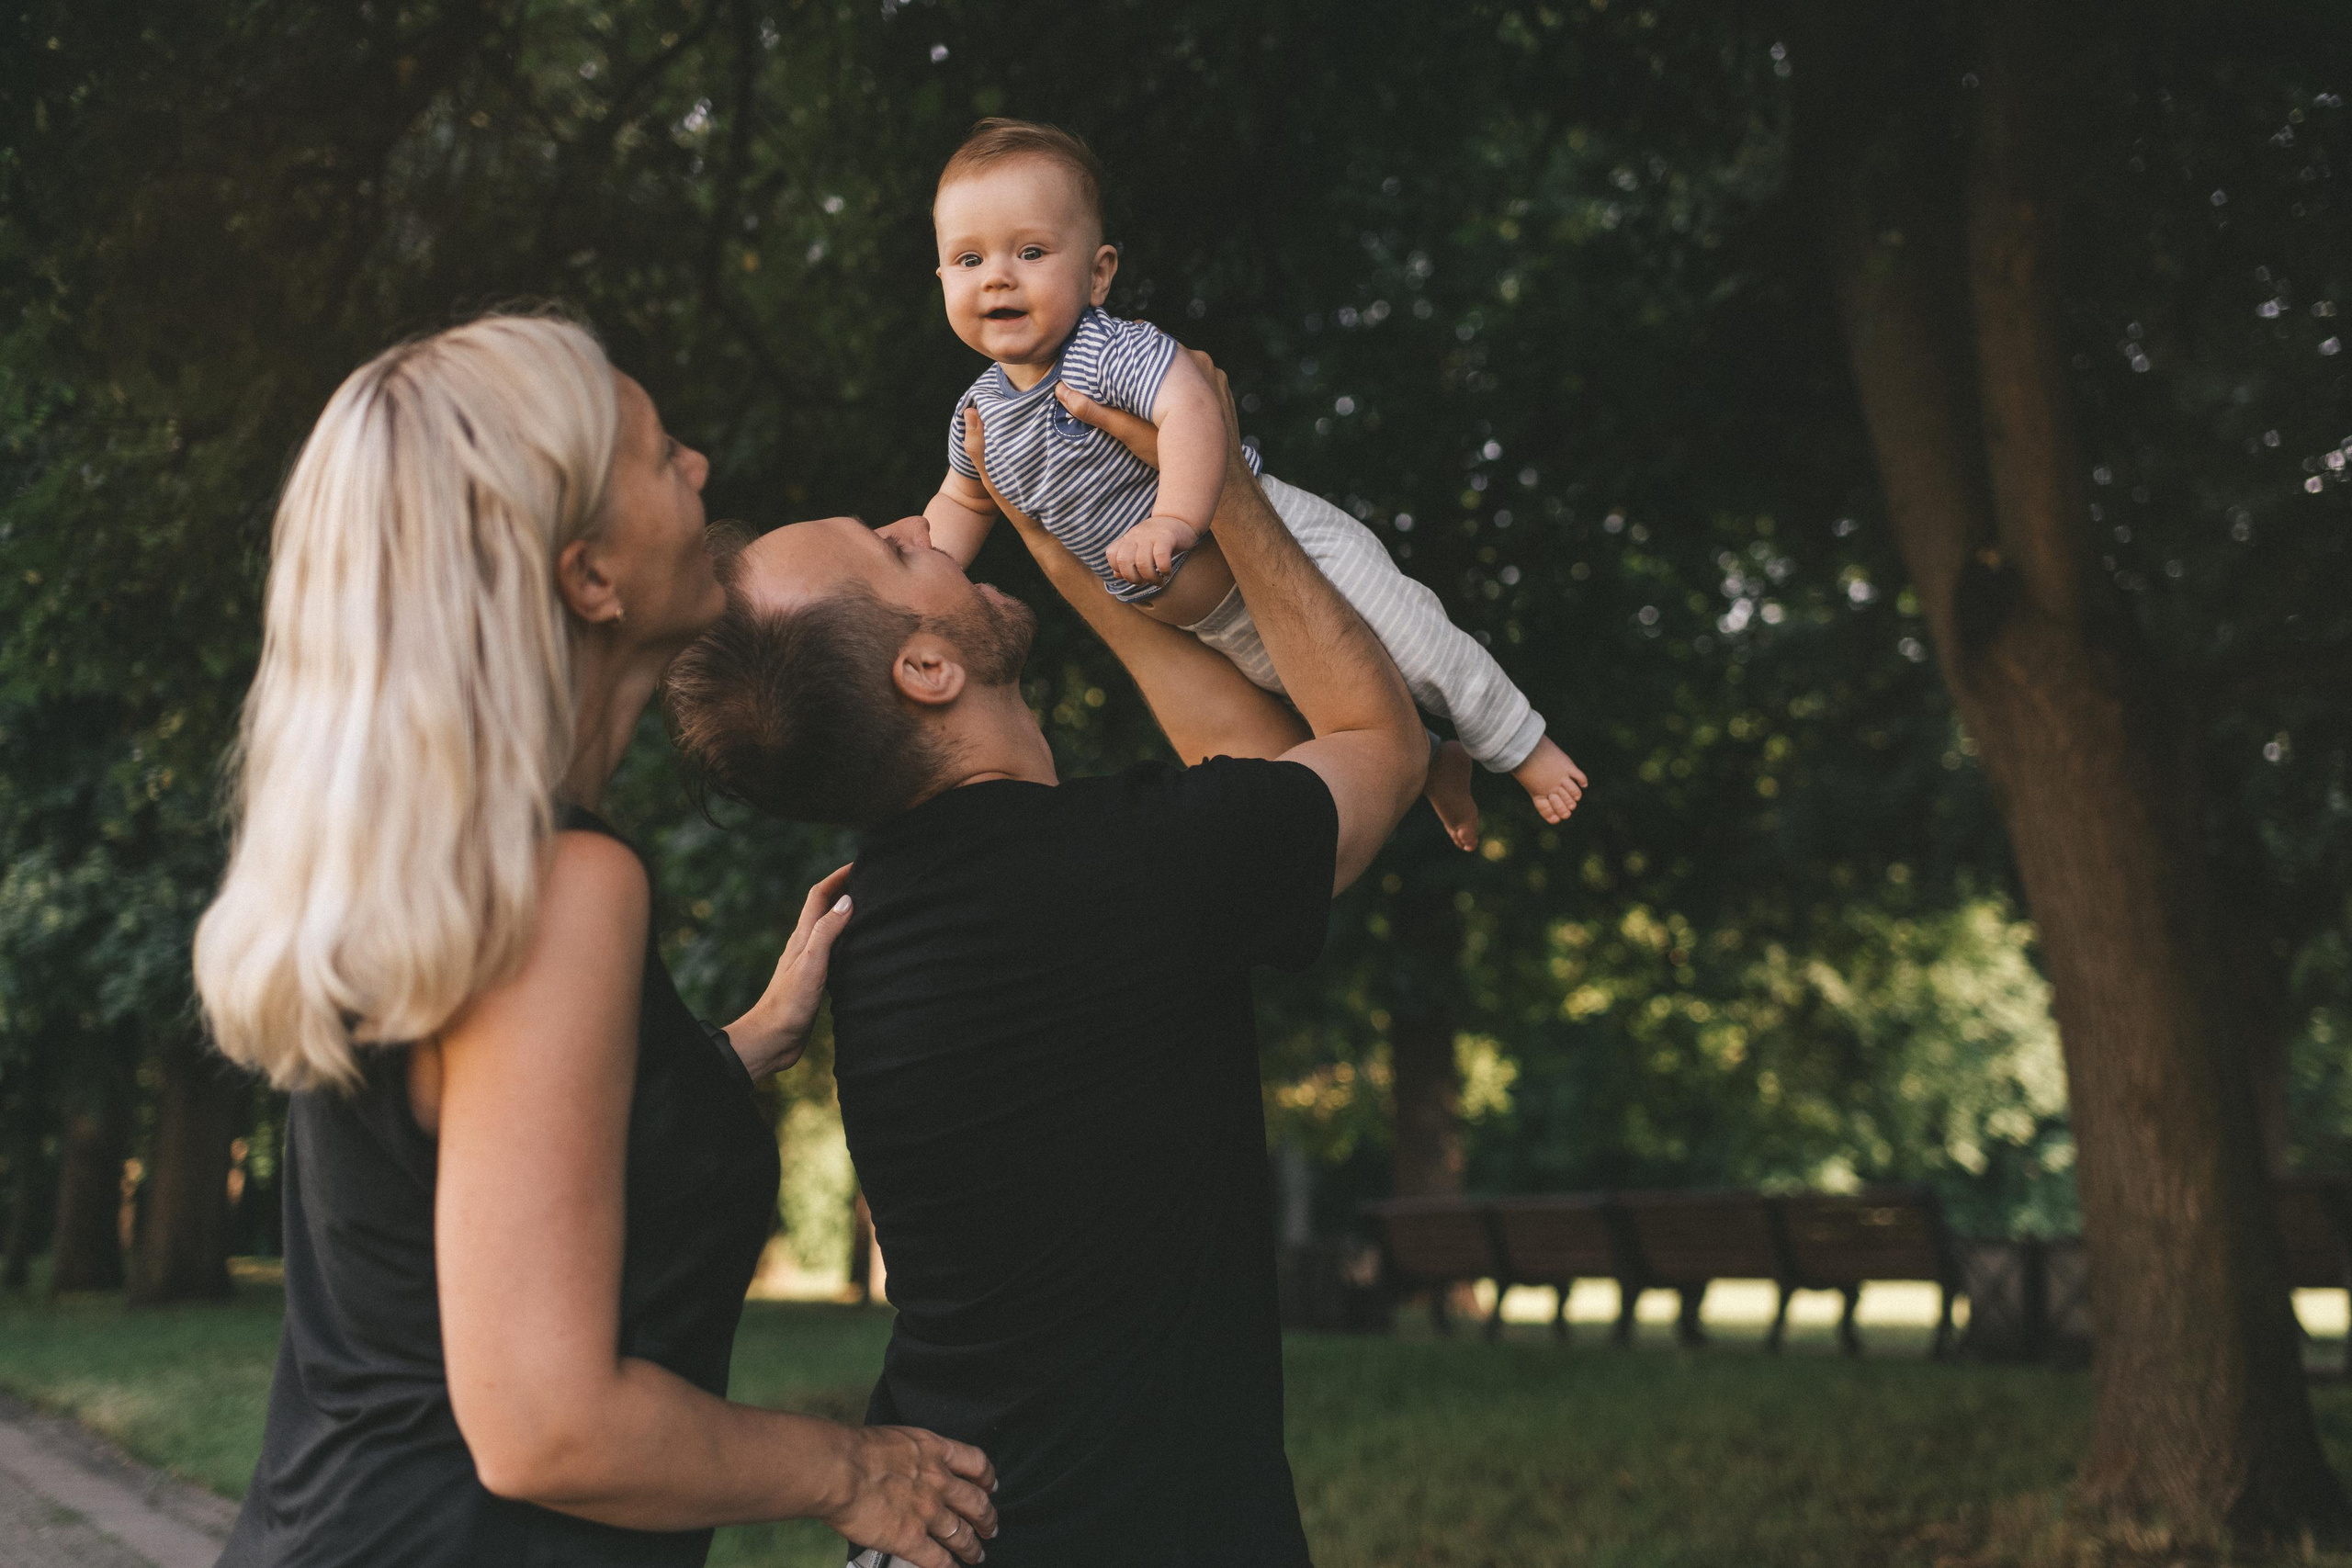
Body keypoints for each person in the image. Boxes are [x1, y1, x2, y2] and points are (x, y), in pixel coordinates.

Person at [190, 312, 1001, 1568]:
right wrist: (852, 1468)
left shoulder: (452, 863)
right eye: (660, 450)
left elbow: (480, 1168)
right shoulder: (564, 886)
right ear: (588, 575)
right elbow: (548, 1425)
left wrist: (730, 1052)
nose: (701, 469)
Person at [662, 352, 1431, 1566]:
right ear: (926, 669)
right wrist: (1215, 473)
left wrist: (1071, 543)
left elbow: (1251, 771)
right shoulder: (1110, 873)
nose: (927, 524)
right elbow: (1374, 749)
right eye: (897, 549)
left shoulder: (908, 905)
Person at [915, 117, 1588, 851]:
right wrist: (914, 558)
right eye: (970, 258)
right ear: (944, 278)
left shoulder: (1103, 351)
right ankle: (1434, 762)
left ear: (1098, 273)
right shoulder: (979, 412)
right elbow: (961, 502)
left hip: (1285, 543)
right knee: (1336, 702)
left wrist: (1175, 518)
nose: (998, 276)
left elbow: (1194, 408)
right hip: (1221, 622)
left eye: (1032, 251)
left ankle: (1524, 746)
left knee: (1416, 641)